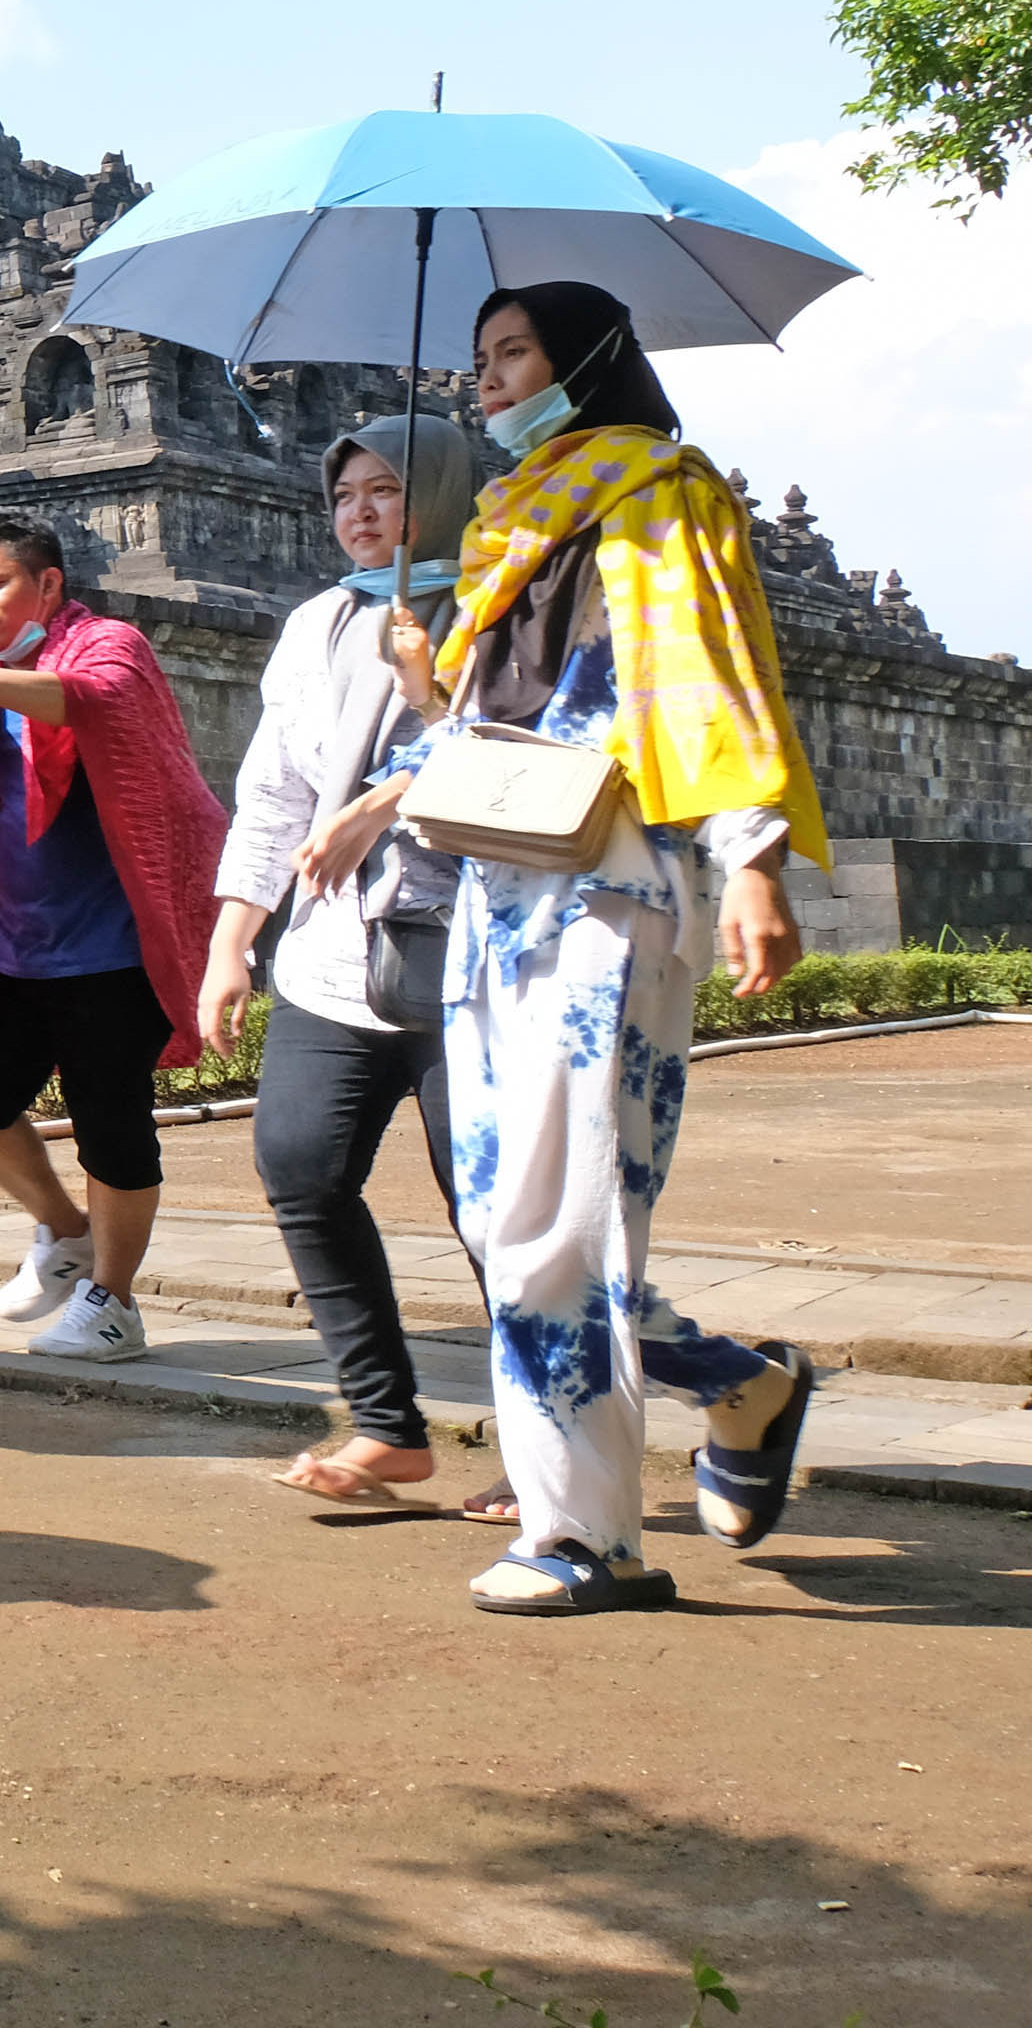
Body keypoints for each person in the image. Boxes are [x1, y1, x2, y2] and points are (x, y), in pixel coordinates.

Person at [305, 283, 820, 1614]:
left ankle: (585, 1535)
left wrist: (752, 858)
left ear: (587, 359)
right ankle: (744, 1389)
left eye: (513, 352)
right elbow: (477, 742)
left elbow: (706, 675)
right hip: (498, 895)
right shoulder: (501, 523)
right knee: (502, 1213)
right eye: (479, 358)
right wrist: (425, 683)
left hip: (613, 885)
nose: (487, 378)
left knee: (565, 1216)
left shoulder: (657, 491)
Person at [202, 414, 504, 1512]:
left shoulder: (504, 602)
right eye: (346, 495)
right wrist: (233, 940)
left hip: (472, 947)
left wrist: (427, 702)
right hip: (333, 948)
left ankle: (544, 1442)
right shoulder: (317, 624)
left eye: (388, 488)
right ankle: (387, 1424)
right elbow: (276, 796)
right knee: (301, 1165)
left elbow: (529, 755)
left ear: (448, 491)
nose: (363, 512)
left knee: (492, 1207)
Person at [0, 506, 227, 1362]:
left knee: (112, 1124)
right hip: (12, 941)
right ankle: (65, 1233)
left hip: (112, 946)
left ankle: (115, 1302)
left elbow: (91, 704)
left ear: (49, 584)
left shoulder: (107, 647)